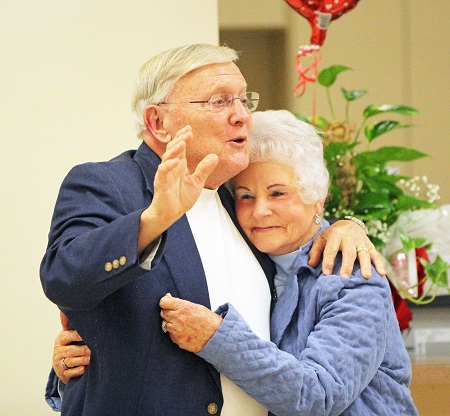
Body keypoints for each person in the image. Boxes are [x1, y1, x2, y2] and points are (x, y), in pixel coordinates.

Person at [41, 44, 383, 416]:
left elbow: (298, 219)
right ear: (158, 122)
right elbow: (63, 276)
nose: (241, 116)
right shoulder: (106, 183)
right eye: (219, 102)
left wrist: (348, 226)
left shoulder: (239, 199)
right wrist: (155, 218)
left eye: (242, 100)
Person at [159, 110, 418, 415]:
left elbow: (319, 395)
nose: (260, 211)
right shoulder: (250, 259)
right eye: (245, 196)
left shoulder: (352, 274)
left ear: (317, 198)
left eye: (278, 193)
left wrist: (217, 337)